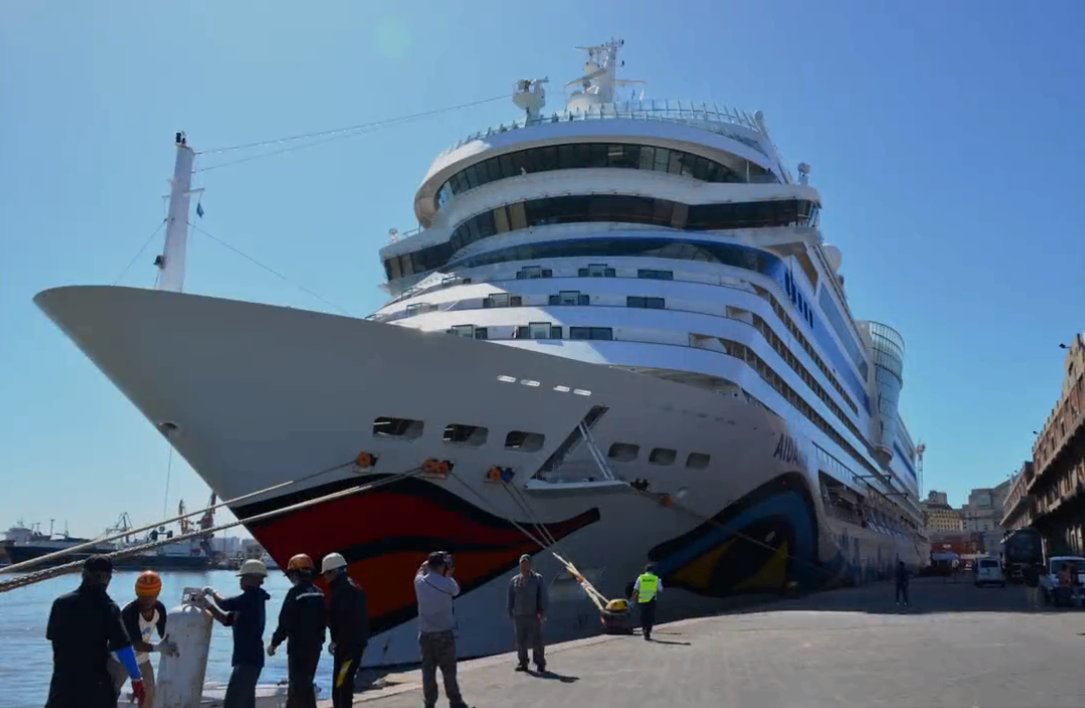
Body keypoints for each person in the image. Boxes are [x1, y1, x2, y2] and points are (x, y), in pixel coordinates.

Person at [45, 555, 147, 708]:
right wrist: (137, 680)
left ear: (83, 574)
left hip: (62, 685)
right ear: (108, 579)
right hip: (95, 687)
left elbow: (54, 641)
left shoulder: (61, 603)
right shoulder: (108, 608)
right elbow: (123, 648)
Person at [203, 558, 271, 708]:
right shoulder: (251, 601)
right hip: (249, 659)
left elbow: (224, 604)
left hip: (247, 660)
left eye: (243, 577)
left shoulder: (250, 598)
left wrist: (212, 592)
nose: (240, 581)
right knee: (245, 702)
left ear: (254, 578)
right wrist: (208, 606)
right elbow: (227, 620)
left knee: (233, 703)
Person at [107, 570, 178, 707]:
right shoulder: (128, 613)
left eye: (150, 596)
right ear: (137, 593)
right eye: (143, 596)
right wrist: (159, 647)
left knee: (148, 693)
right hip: (119, 658)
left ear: (157, 594)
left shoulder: (159, 608)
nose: (146, 600)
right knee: (109, 694)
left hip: (142, 659)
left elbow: (165, 635)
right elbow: (135, 644)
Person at [268, 554, 326, 708]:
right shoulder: (319, 593)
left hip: (298, 648)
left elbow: (285, 622)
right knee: (307, 684)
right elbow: (325, 621)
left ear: (295, 574)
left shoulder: (295, 593)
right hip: (315, 648)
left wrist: (274, 643)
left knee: (296, 686)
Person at [414, 551, 470, 708]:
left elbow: (418, 573)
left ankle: (429, 703)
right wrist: (448, 574)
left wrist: (423, 567)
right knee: (449, 672)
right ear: (441, 566)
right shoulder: (448, 583)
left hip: (425, 635)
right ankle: (455, 701)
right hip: (444, 634)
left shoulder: (419, 583)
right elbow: (456, 591)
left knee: (428, 673)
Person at [321, 552, 369, 708]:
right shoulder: (351, 586)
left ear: (333, 572)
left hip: (349, 647)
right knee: (340, 683)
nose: (325, 579)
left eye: (326, 574)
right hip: (350, 645)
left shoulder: (344, 591)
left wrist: (336, 640)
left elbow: (343, 620)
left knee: (342, 683)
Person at [507, 553, 548, 672]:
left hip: (534, 614)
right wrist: (510, 612)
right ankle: (523, 662)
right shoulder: (514, 581)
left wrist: (542, 612)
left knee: (537, 641)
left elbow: (542, 596)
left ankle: (540, 663)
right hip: (519, 615)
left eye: (526, 564)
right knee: (520, 641)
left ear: (530, 565)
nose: (523, 567)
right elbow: (510, 598)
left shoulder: (538, 579)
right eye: (521, 564)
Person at [631, 562, 662, 641]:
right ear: (652, 570)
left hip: (643, 600)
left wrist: (633, 600)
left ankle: (644, 631)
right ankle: (648, 631)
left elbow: (635, 590)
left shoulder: (640, 578)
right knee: (650, 617)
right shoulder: (655, 578)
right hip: (652, 600)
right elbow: (660, 590)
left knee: (644, 616)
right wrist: (660, 582)